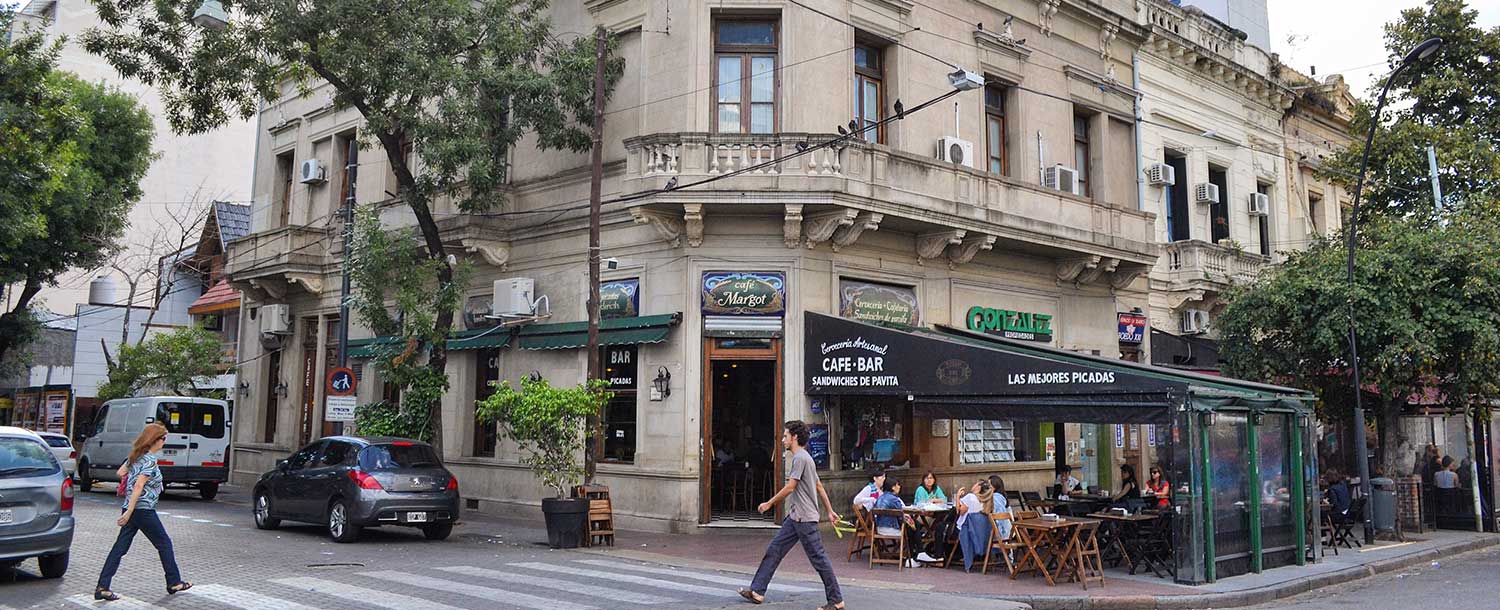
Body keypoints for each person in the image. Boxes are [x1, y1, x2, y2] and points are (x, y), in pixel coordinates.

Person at [739, 421, 843, 610]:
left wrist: (770, 503)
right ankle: (757, 591)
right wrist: (829, 510)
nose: (783, 440)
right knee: (774, 550)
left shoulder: (800, 459)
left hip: (804, 519)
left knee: (819, 559)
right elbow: (818, 486)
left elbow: (790, 487)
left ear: (794, 437)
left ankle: (836, 600)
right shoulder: (807, 458)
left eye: (785, 436)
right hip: (796, 518)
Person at [94, 423, 192, 601]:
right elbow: (139, 485)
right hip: (142, 509)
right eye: (163, 439)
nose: (164, 442)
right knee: (164, 543)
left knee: (120, 548)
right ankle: (174, 581)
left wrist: (128, 509)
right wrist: (129, 511)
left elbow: (120, 472)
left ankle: (102, 586)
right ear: (154, 440)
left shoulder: (137, 457)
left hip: (132, 509)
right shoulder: (150, 460)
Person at [872, 478, 920, 567]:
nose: (899, 487)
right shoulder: (894, 499)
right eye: (898, 485)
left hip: (879, 530)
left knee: (911, 526)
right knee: (914, 526)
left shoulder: (880, 498)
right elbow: (902, 514)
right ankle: (914, 557)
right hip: (893, 529)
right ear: (893, 487)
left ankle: (915, 555)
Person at [954, 480, 993, 572]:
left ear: (978, 487)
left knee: (941, 527)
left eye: (975, 483)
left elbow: (959, 512)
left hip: (966, 532)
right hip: (980, 534)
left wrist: (957, 497)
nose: (973, 484)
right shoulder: (987, 501)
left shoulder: (970, 497)